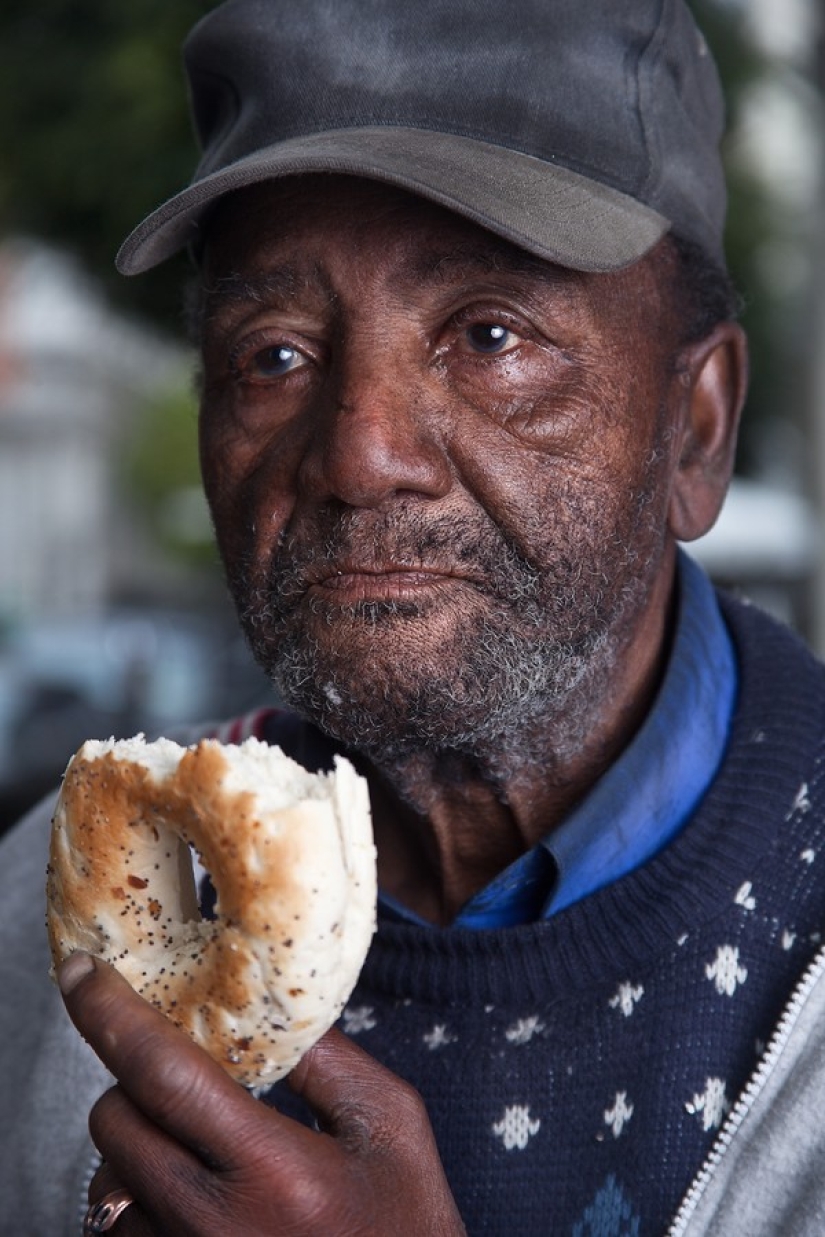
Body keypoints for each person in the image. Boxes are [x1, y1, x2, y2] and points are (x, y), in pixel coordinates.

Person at [3, 0, 825, 1233]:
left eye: (490, 335)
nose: (360, 453)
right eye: (273, 354)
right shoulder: (48, 928)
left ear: (694, 428)